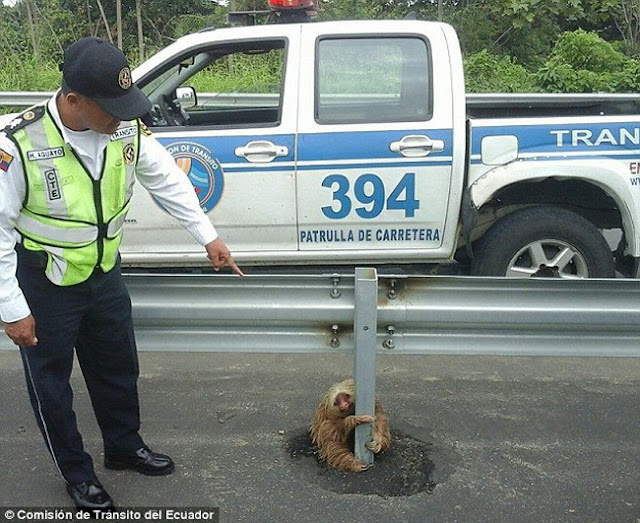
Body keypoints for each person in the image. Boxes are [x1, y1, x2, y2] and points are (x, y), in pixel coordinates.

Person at [0, 37, 243, 510]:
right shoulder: (18, 144)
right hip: (45, 282)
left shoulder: (124, 129)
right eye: (109, 107)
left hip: (104, 273)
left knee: (117, 367)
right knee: (51, 386)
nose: (121, 116)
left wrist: (207, 236)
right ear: (73, 100)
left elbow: (167, 179)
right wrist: (12, 309)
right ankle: (77, 474)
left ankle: (124, 447)